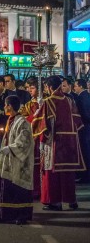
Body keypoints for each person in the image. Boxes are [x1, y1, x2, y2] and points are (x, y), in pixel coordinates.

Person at [32, 76, 85, 211]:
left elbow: (42, 124)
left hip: (54, 141)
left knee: (52, 173)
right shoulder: (69, 100)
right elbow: (78, 121)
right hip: (70, 140)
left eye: (45, 87)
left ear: (49, 87)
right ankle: (71, 201)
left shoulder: (49, 101)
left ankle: (55, 201)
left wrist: (36, 130)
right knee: (67, 172)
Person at [0, 95, 34, 225]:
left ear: (9, 106)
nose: (4, 107)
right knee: (4, 187)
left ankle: (20, 215)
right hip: (7, 160)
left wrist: (10, 148)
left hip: (19, 161)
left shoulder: (23, 122)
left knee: (18, 190)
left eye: (5, 105)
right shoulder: (11, 120)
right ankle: (3, 215)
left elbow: (25, 141)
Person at [74, 79, 90, 183]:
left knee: (85, 152)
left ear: (80, 86)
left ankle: (86, 176)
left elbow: (84, 113)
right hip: (87, 128)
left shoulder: (82, 97)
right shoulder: (86, 95)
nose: (74, 88)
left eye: (75, 86)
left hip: (84, 128)